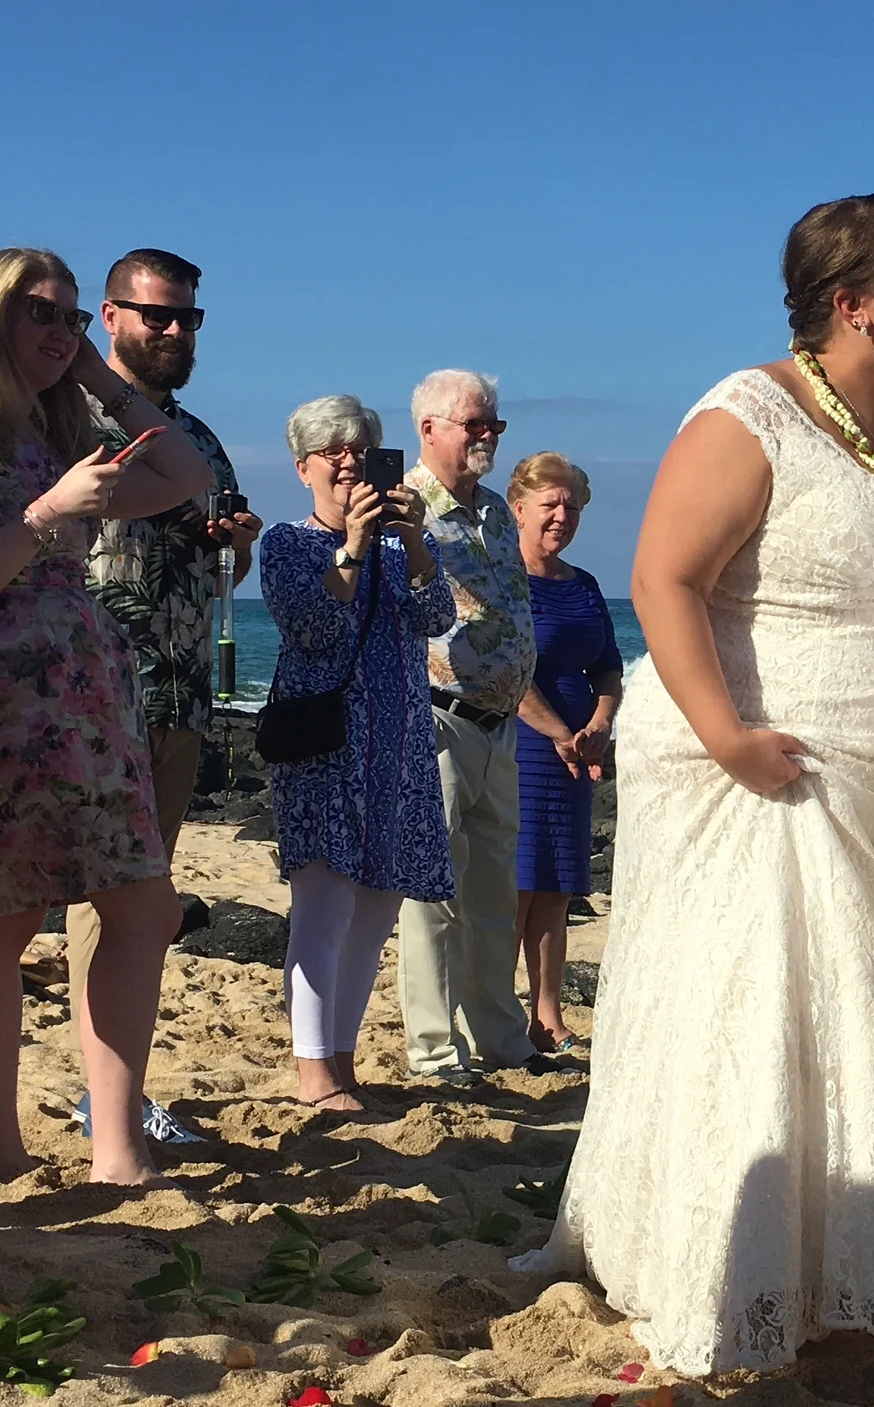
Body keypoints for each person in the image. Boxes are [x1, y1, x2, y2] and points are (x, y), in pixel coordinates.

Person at [515, 194, 874, 1375]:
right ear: (854, 303)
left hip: (867, 762)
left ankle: (836, 1254)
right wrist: (730, 739)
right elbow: (664, 578)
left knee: (851, 1008)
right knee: (746, 1004)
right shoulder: (749, 414)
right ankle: (721, 1264)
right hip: (747, 758)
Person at [0, 247, 213, 1185]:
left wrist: (95, 373)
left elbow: (185, 472)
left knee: (132, 904)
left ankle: (110, 1146)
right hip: (7, 692)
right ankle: (9, 1146)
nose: (55, 328)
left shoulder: (63, 424)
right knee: (9, 913)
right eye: (37, 312)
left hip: (89, 690)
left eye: (71, 315)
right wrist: (46, 513)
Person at [68, 248, 258, 1131]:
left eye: (190, 317)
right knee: (101, 896)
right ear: (109, 316)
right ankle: (101, 1095)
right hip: (90, 690)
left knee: (148, 893)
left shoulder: (198, 439)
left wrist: (236, 544)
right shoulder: (66, 415)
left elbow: (219, 569)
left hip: (179, 692)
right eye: (159, 315)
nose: (177, 331)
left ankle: (117, 1088)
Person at [261, 396, 455, 1111]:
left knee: (376, 907)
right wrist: (352, 547)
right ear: (304, 465)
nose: (348, 458)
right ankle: (313, 1071)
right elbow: (312, 624)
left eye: (360, 446)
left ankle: (341, 1061)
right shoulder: (288, 543)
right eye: (332, 448)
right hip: (325, 748)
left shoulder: (398, 548)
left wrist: (415, 542)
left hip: (397, 746)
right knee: (325, 901)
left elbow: (436, 618)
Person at [398, 368, 538, 1083]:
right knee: (434, 894)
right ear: (429, 429)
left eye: (495, 425)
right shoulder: (406, 510)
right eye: (474, 425)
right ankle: (431, 1047)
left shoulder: (491, 513)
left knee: (493, 893)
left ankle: (499, 1033)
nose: (488, 437)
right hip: (437, 719)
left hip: (500, 723)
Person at [508, 452, 622, 1056]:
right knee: (517, 885)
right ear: (519, 508)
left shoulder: (585, 585)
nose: (562, 516)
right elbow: (503, 665)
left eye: (572, 506)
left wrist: (600, 722)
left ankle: (547, 1012)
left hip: (580, 748)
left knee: (556, 884)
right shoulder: (504, 579)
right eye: (550, 504)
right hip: (524, 743)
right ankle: (498, 1010)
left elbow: (607, 663)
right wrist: (557, 732)